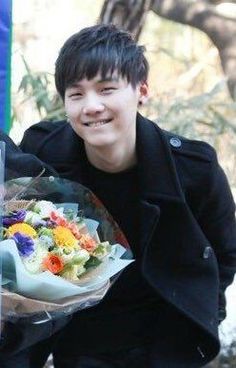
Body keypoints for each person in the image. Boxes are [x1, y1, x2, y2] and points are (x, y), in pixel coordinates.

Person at [1, 24, 236, 367]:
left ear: (142, 90)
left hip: (162, 340)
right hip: (77, 340)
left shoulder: (193, 168)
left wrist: (202, 315)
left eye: (107, 89)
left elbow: (225, 253)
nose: (92, 106)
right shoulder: (44, 149)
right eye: (76, 94)